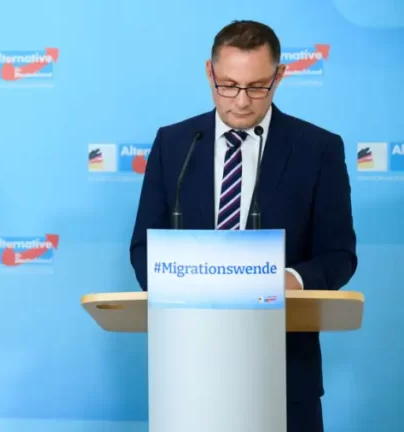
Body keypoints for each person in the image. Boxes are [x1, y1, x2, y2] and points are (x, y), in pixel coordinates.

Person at [129, 20, 356, 432]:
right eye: (229, 86)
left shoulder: (318, 148)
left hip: (286, 369)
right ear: (209, 72)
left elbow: (339, 255)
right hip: (188, 365)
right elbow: (143, 247)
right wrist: (179, 283)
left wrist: (288, 280)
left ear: (279, 76)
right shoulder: (175, 144)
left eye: (257, 87)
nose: (241, 101)